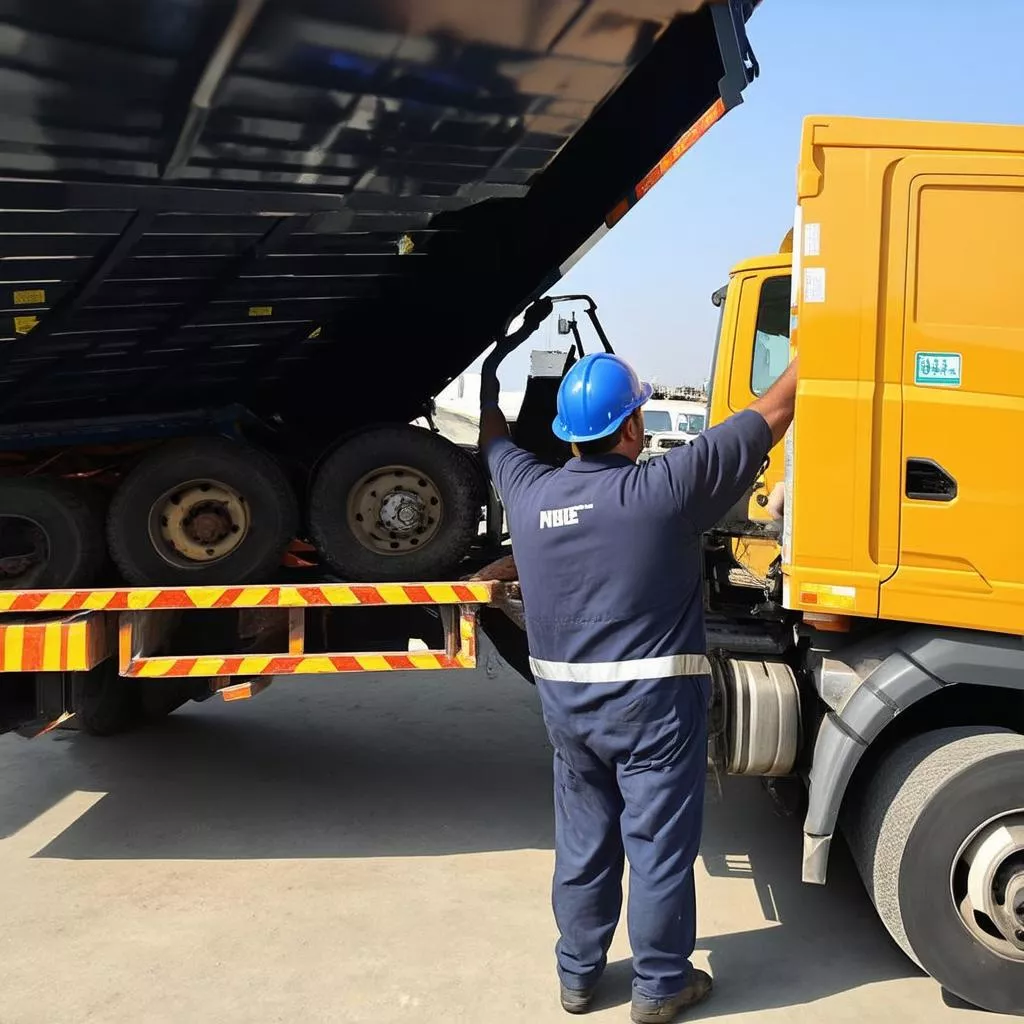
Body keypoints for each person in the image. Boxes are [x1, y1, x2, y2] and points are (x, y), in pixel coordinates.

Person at [478, 322, 798, 1023]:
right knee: (655, 844)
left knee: (585, 839)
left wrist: (491, 377)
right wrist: (826, 342)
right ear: (630, 428)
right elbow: (772, 413)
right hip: (653, 709)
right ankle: (658, 986)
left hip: (568, 709)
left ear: (568, 434)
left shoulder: (529, 494)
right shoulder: (663, 492)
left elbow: (494, 443)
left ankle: (577, 977)